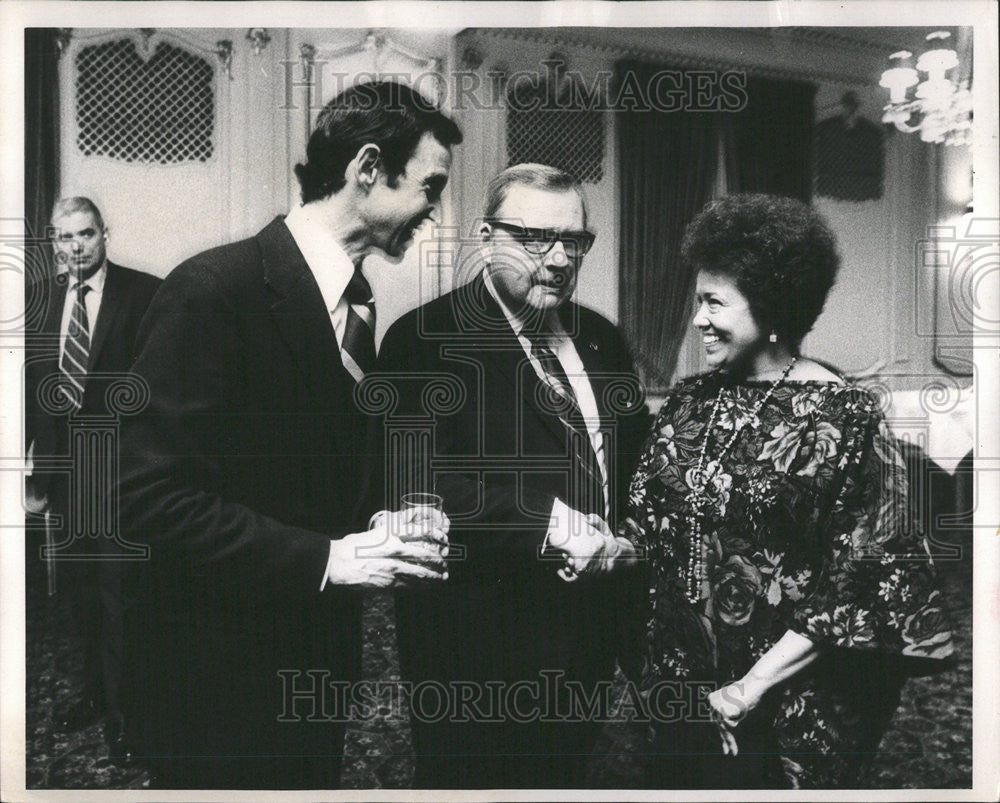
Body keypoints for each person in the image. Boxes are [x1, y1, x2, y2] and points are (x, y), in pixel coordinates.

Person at [115, 81, 461, 789]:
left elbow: (315, 474)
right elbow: (144, 497)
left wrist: (382, 515)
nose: (435, 208)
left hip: (305, 666)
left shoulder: (356, 304)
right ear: (368, 168)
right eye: (430, 185)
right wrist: (330, 560)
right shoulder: (213, 290)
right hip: (215, 683)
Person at [622, 193, 955, 789]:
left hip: (786, 701)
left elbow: (868, 578)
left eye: (713, 303)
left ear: (771, 303)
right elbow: (648, 526)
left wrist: (750, 688)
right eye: (697, 299)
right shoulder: (687, 402)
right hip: (680, 691)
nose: (697, 319)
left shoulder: (845, 417)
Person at [377, 163, 650, 788]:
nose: (558, 259)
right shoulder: (424, 340)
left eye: (574, 241)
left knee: (563, 774)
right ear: (484, 236)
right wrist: (553, 524)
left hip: (589, 627)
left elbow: (626, 466)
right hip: (478, 642)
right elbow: (415, 487)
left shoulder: (602, 338)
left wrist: (625, 544)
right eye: (534, 238)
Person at [24, 196, 162, 763]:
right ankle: (93, 696)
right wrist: (32, 467)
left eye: (85, 234)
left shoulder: (143, 293)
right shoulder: (40, 302)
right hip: (63, 477)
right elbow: (33, 390)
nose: (75, 247)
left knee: (119, 600)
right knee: (78, 598)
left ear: (106, 234)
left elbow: (156, 390)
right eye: (64, 238)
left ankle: (128, 718)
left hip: (118, 476)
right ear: (52, 242)